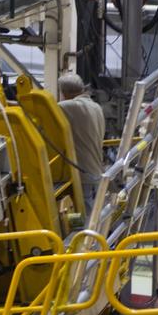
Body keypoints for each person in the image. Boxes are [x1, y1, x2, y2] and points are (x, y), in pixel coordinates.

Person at [57, 73, 107, 214]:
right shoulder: (96, 106)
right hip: (96, 170)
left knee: (86, 217)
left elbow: (44, 109)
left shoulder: (71, 106)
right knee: (95, 214)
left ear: (64, 92)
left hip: (84, 175)